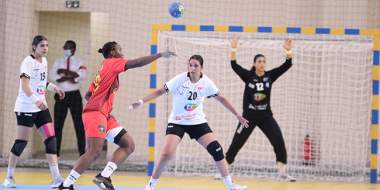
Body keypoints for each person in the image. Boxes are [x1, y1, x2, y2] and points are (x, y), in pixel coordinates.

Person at [56, 41, 175, 190]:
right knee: (94, 151)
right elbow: (137, 62)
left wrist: (103, 107)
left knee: (128, 144)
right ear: (112, 52)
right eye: (120, 49)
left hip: (103, 115)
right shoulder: (112, 62)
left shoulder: (104, 67)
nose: (122, 51)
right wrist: (160, 54)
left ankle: (104, 176)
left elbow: (88, 94)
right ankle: (65, 186)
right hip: (95, 114)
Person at [130, 54, 249, 190]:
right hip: (177, 121)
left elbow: (221, 98)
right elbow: (160, 91)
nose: (192, 68)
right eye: (190, 65)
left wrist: (237, 115)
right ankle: (151, 185)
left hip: (197, 122)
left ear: (201, 68)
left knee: (217, 150)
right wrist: (141, 101)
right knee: (167, 153)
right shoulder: (180, 79)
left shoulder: (206, 83)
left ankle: (231, 186)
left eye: (196, 66)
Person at [223, 37, 296, 181]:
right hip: (249, 116)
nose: (262, 64)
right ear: (254, 64)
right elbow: (234, 65)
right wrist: (233, 49)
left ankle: (283, 173)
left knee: (278, 141)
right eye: (259, 61)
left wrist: (288, 51)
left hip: (266, 117)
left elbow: (288, 64)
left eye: (264, 61)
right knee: (236, 142)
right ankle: (224, 171)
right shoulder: (248, 76)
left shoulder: (270, 76)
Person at [2, 35, 66, 188]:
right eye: (42, 45)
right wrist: (35, 100)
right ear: (34, 47)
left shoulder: (44, 61)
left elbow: (41, 83)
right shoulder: (27, 62)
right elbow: (25, 85)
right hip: (26, 107)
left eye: (46, 45)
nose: (45, 48)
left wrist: (54, 88)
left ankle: (56, 178)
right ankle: (9, 177)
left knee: (51, 139)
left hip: (41, 108)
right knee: (21, 143)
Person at [50, 40, 86, 157]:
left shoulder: (80, 61)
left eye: (68, 47)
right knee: (58, 125)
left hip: (75, 95)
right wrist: (72, 75)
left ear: (74, 49)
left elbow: (82, 75)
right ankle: (56, 152)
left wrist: (63, 72)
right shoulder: (58, 61)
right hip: (61, 95)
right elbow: (53, 75)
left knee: (79, 124)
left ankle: (82, 152)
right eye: (64, 47)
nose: (65, 49)